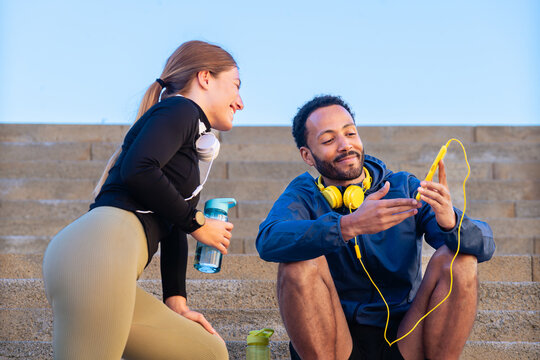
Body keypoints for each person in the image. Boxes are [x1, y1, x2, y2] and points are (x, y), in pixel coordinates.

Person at [42, 40, 244, 360]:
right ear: (205, 78)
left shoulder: (192, 146)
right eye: (236, 85)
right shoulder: (180, 109)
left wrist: (175, 299)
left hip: (106, 264)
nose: (240, 102)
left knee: (206, 352)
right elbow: (139, 169)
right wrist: (198, 223)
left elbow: (175, 223)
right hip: (99, 252)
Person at [256, 95, 495, 360]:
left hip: (406, 336)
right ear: (307, 155)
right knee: (297, 263)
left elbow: (485, 244)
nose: (345, 145)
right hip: (336, 339)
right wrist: (347, 226)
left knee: (458, 259)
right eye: (328, 140)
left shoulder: (404, 187)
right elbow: (268, 239)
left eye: (350, 133)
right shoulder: (303, 194)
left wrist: (449, 221)